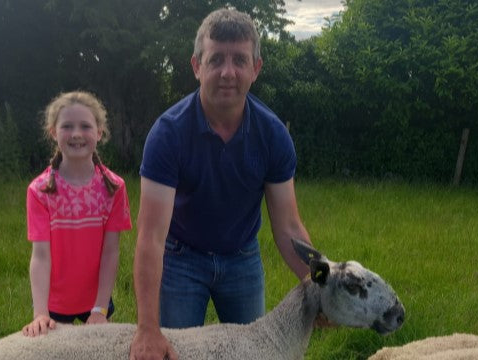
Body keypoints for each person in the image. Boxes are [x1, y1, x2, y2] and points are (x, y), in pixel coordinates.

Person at [129, 8, 314, 360]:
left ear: (255, 69)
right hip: (181, 259)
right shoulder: (167, 134)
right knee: (172, 353)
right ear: (197, 66)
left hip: (242, 258)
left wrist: (320, 285)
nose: (228, 72)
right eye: (216, 60)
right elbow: (151, 236)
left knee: (256, 355)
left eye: (240, 60)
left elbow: (288, 227)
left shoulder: (272, 134)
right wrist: (147, 329)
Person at [22, 91, 132, 337]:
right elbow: (40, 256)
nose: (76, 134)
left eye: (85, 126)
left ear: (99, 132)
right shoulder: (39, 191)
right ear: (53, 132)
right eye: (67, 126)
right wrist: (40, 313)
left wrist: (100, 309)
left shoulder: (114, 187)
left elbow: (111, 251)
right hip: (54, 305)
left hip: (97, 302)